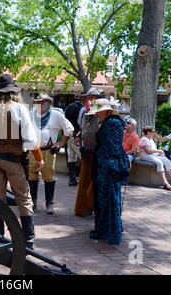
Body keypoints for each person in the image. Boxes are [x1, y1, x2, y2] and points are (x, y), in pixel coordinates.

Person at [0, 74, 44, 249]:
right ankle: (28, 240)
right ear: (13, 91)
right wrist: (38, 157)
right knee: (23, 198)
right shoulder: (19, 108)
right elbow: (31, 139)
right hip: (13, 160)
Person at [88, 98, 129, 245]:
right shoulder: (109, 122)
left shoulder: (112, 122)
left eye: (98, 111)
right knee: (104, 199)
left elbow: (113, 147)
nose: (97, 114)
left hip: (108, 167)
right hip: (105, 165)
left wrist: (110, 164)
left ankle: (108, 230)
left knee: (108, 198)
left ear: (105, 110)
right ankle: (105, 228)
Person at [29, 93, 74, 215]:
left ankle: (49, 203)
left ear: (49, 103)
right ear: (37, 103)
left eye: (46, 102)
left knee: (48, 176)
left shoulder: (56, 115)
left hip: (48, 150)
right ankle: (33, 201)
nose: (43, 104)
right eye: (40, 102)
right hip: (33, 150)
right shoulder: (31, 114)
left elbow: (69, 128)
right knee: (32, 176)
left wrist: (61, 142)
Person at [73, 87, 104, 217]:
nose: (90, 100)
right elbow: (83, 129)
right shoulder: (84, 113)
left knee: (95, 184)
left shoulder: (103, 115)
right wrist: (79, 136)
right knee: (84, 181)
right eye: (89, 98)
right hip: (86, 152)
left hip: (97, 154)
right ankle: (83, 208)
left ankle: (94, 207)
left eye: (93, 98)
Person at [139, 126, 171, 190]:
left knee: (166, 160)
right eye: (153, 131)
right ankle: (165, 183)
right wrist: (159, 151)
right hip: (145, 156)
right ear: (148, 132)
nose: (154, 133)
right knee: (159, 163)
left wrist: (160, 153)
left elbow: (152, 151)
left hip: (152, 155)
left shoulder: (150, 139)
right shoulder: (144, 139)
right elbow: (148, 151)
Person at [64, 91, 93, 186]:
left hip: (68, 135)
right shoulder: (82, 109)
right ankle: (86, 179)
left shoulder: (69, 107)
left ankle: (72, 179)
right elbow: (81, 123)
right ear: (85, 99)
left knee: (71, 157)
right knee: (83, 156)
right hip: (76, 135)